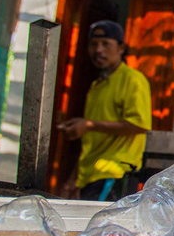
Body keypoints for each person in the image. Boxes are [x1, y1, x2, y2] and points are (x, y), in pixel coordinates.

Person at [59, 20, 152, 201]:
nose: (98, 50)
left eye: (105, 44)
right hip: (91, 175)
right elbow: (91, 142)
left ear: (121, 48)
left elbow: (139, 125)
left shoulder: (133, 79)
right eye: (93, 44)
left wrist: (89, 125)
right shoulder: (97, 85)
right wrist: (73, 180)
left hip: (115, 172)